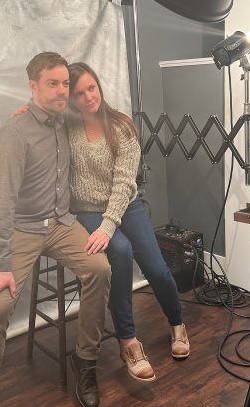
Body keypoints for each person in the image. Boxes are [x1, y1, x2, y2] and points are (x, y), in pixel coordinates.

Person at [0, 52, 111, 407]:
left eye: (65, 84)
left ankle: (85, 362)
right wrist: (0, 263)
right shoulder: (14, 133)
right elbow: (3, 202)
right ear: (32, 86)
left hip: (62, 224)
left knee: (101, 268)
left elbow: (97, 112)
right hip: (24, 229)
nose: (63, 91)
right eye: (53, 84)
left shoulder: (64, 120)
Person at [67, 62, 189, 383]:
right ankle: (129, 342)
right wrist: (26, 111)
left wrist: (109, 225)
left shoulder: (121, 126)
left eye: (91, 87)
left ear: (99, 86)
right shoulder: (65, 127)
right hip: (87, 209)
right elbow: (38, 125)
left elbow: (123, 183)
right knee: (119, 252)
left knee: (156, 268)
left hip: (126, 204)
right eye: (79, 93)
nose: (88, 96)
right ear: (71, 98)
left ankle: (177, 323)